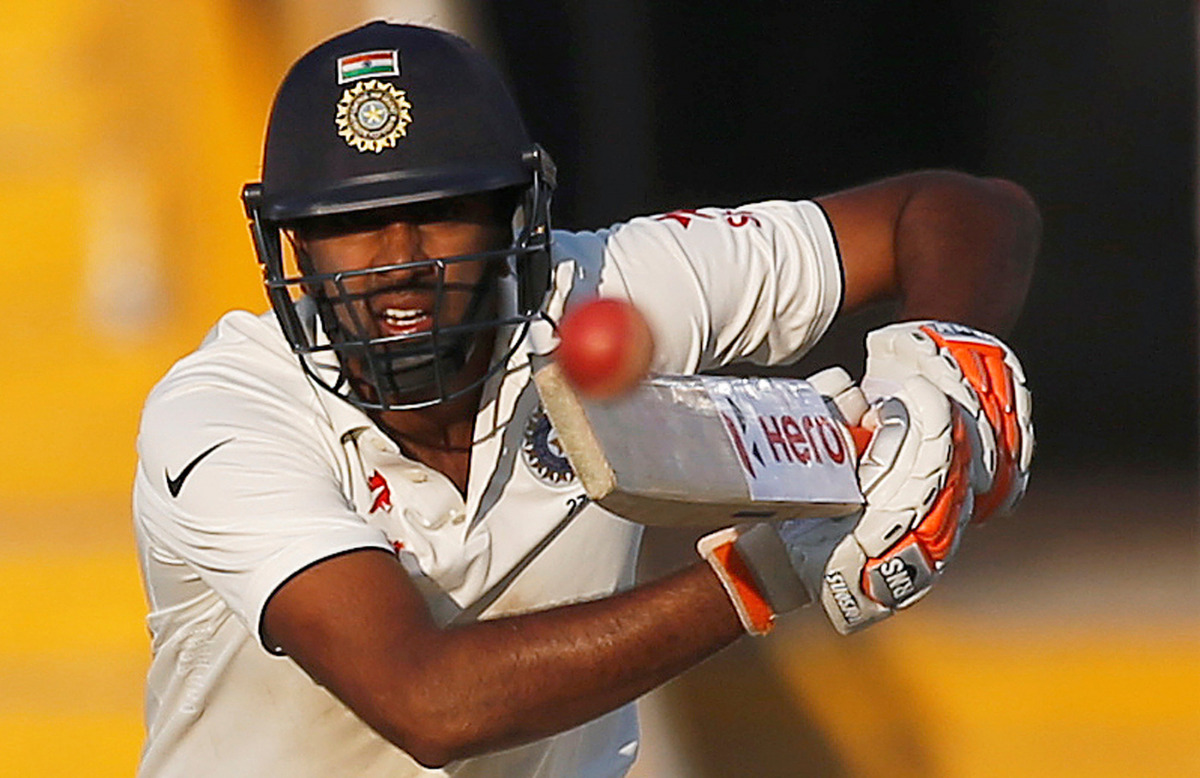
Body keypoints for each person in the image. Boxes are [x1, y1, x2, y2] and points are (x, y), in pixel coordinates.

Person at [133, 21, 1038, 777]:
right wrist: (771, 572)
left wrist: (945, 359)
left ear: (515, 215)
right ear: (293, 244)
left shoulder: (603, 288)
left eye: (442, 209)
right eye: (349, 224)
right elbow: (429, 701)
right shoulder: (224, 415)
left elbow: (961, 210)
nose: (397, 258)